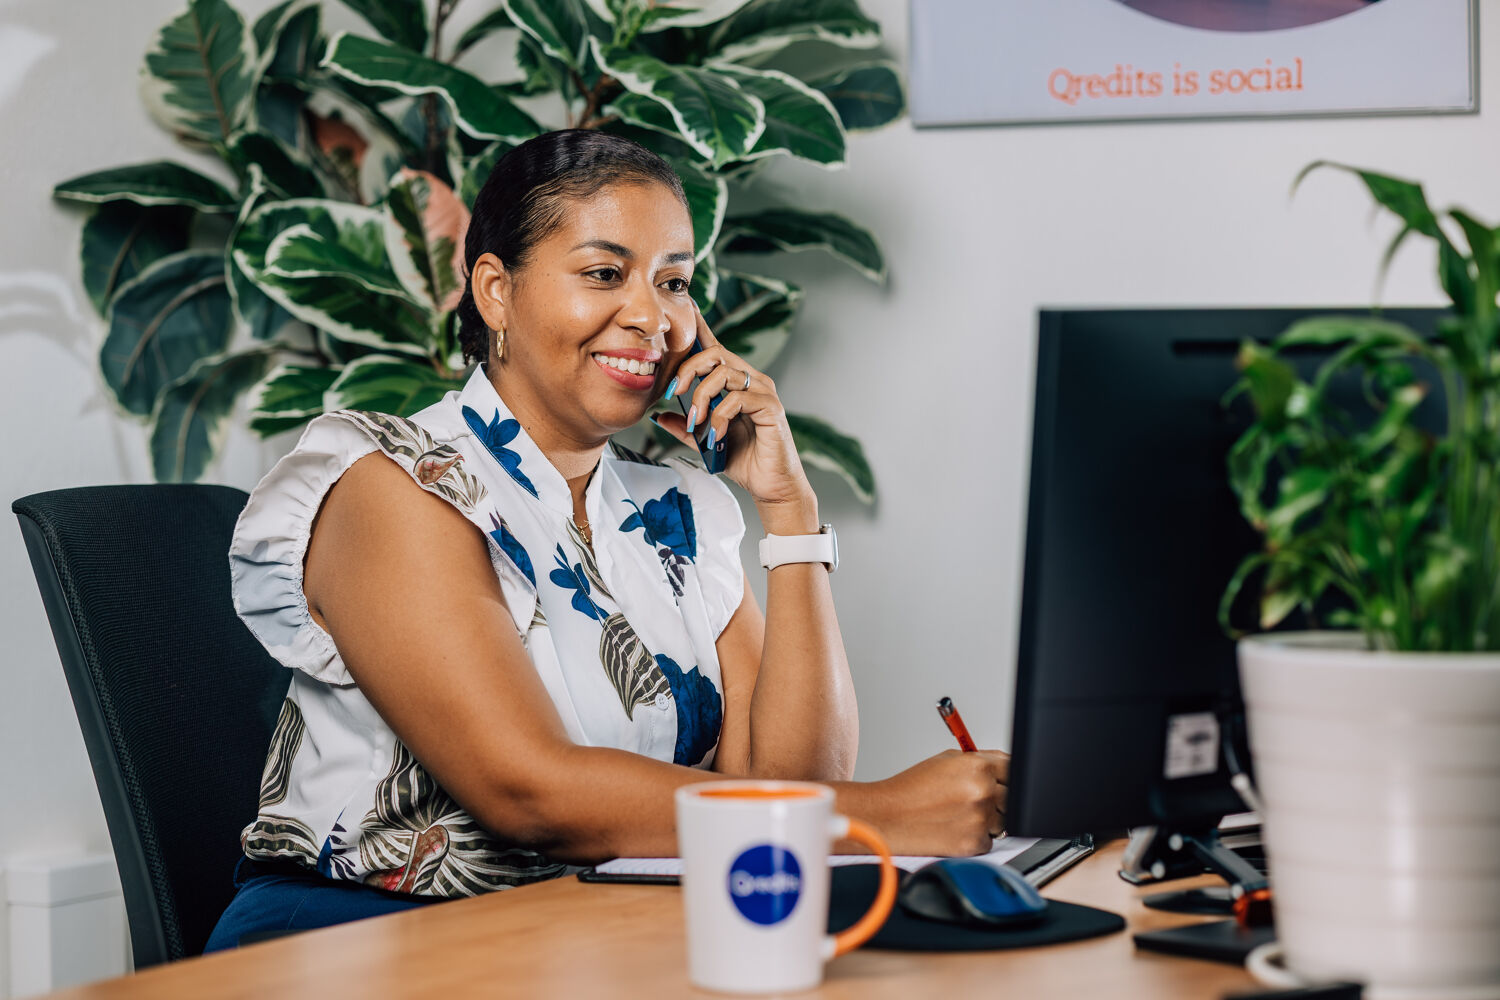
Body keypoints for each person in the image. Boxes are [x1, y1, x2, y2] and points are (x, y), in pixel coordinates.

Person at [206, 129, 1009, 949]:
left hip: (588, 931)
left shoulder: (681, 514)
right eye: (603, 274)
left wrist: (790, 509)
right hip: (363, 940)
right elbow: (530, 793)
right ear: (495, 291)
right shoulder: (396, 483)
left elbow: (791, 791)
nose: (650, 316)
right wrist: (889, 818)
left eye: (674, 282)